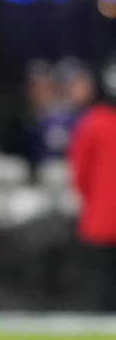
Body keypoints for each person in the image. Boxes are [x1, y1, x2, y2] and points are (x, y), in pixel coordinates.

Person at [66, 55, 116, 312]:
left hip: (100, 223)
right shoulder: (93, 122)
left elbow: (79, 176)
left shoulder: (92, 123)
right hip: (101, 223)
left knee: (102, 301)